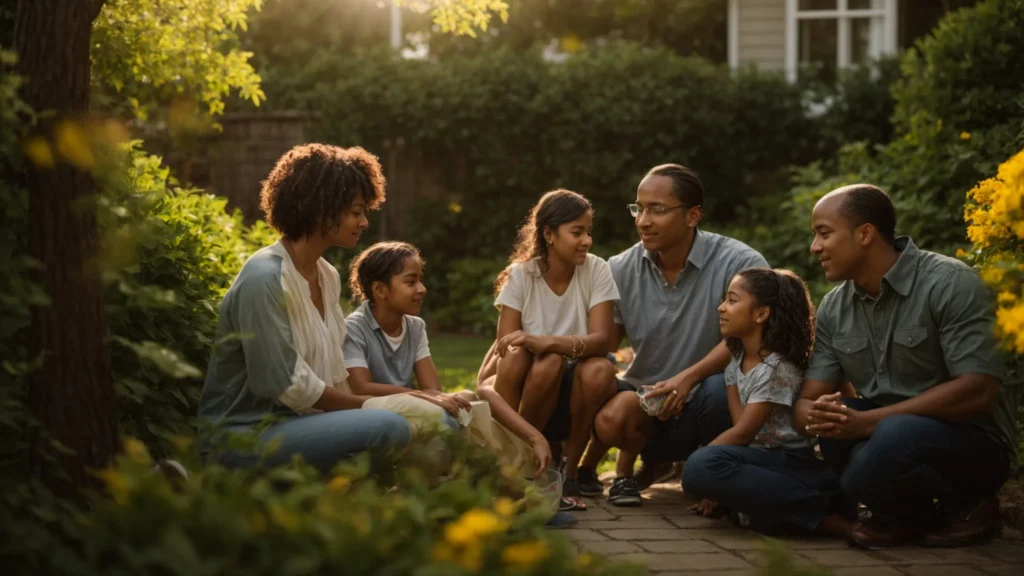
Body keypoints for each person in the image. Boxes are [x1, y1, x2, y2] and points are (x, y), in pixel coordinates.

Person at [794, 184, 1017, 549]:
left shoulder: (949, 282)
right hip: (888, 436)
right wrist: (816, 415)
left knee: (886, 442)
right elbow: (808, 400)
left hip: (974, 443)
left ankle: (971, 503)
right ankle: (907, 517)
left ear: (865, 233)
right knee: (845, 425)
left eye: (823, 233)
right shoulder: (835, 307)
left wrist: (868, 423)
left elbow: (978, 388)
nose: (814, 247)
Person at [197, 144, 411, 474]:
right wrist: (376, 406)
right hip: (244, 436)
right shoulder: (264, 278)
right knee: (389, 426)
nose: (364, 222)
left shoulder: (326, 275)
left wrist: (415, 400)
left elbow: (332, 372)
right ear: (321, 209)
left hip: (299, 426)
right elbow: (285, 385)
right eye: (355, 212)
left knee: (433, 422)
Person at [580, 163, 768, 507]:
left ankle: (712, 471)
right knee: (610, 416)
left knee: (717, 387)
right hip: (646, 405)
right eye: (639, 208)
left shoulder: (739, 262)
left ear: (693, 215)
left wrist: (688, 377)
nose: (643, 220)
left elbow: (750, 339)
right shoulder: (620, 268)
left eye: (657, 210)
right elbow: (605, 342)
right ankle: (646, 462)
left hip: (709, 404)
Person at [343, 241, 552, 476]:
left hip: (410, 403)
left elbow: (433, 388)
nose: (422, 288)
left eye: (420, 280)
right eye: (411, 282)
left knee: (467, 399)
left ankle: (511, 469)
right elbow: (361, 387)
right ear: (380, 290)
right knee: (450, 420)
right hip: (375, 411)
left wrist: (435, 397)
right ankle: (504, 471)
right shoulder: (354, 327)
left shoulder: (415, 326)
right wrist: (425, 396)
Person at [681, 268, 850, 539]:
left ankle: (827, 518)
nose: (721, 308)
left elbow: (742, 433)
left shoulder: (776, 368)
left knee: (700, 467)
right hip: (760, 460)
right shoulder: (736, 361)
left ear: (761, 314)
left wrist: (704, 469)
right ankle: (772, 511)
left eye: (732, 301)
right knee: (709, 471)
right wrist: (720, 484)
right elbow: (741, 432)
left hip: (794, 464)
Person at [488, 189, 621, 509]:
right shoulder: (522, 275)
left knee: (600, 368)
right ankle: (522, 459)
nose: (586, 240)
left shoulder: (596, 269)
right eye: (577, 232)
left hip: (577, 379)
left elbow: (603, 339)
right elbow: (507, 344)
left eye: (589, 232)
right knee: (545, 362)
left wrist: (547, 341)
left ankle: (569, 470)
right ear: (548, 233)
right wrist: (545, 350)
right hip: (531, 378)